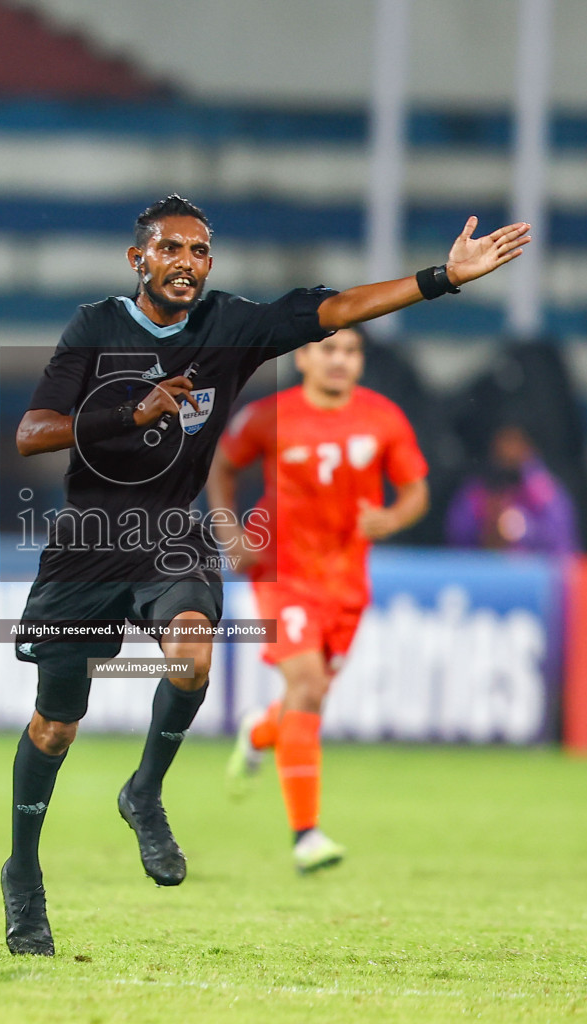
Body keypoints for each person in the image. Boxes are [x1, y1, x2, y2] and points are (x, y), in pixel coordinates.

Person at [4, 194, 529, 956]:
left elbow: (337, 308)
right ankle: (22, 875)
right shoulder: (95, 328)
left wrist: (441, 277)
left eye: (200, 251)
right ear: (138, 259)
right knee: (55, 726)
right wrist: (132, 414)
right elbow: (31, 434)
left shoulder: (229, 327)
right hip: (88, 542)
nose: (187, 261)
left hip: (170, 535)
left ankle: (144, 791)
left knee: (192, 659)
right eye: (172, 248)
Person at [207, 326, 428, 873]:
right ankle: (306, 836)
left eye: (350, 351)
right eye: (328, 349)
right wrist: (229, 532)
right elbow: (221, 467)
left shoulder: (383, 418)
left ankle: (260, 730)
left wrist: (392, 518)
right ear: (303, 355)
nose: (339, 360)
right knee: (306, 685)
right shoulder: (268, 416)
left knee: (310, 697)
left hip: (347, 583)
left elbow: (417, 490)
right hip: (282, 573)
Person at [445, 422, 577, 555]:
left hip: (537, 570)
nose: (507, 450)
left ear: (528, 446)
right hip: (485, 569)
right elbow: (457, 538)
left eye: (514, 442)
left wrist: (524, 528)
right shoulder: (476, 490)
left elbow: (561, 539)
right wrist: (487, 527)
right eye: (503, 442)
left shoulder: (544, 489)